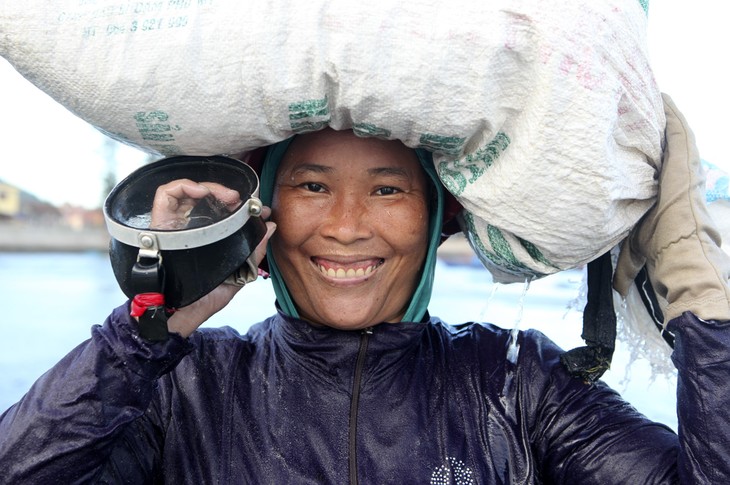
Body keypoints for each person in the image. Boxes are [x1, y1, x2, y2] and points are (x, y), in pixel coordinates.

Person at [0, 95, 729, 484]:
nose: (348, 226)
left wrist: (701, 295)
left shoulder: (518, 384)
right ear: (267, 216)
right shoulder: (187, 388)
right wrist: (145, 335)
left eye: (387, 188)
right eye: (312, 185)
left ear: (438, 216)